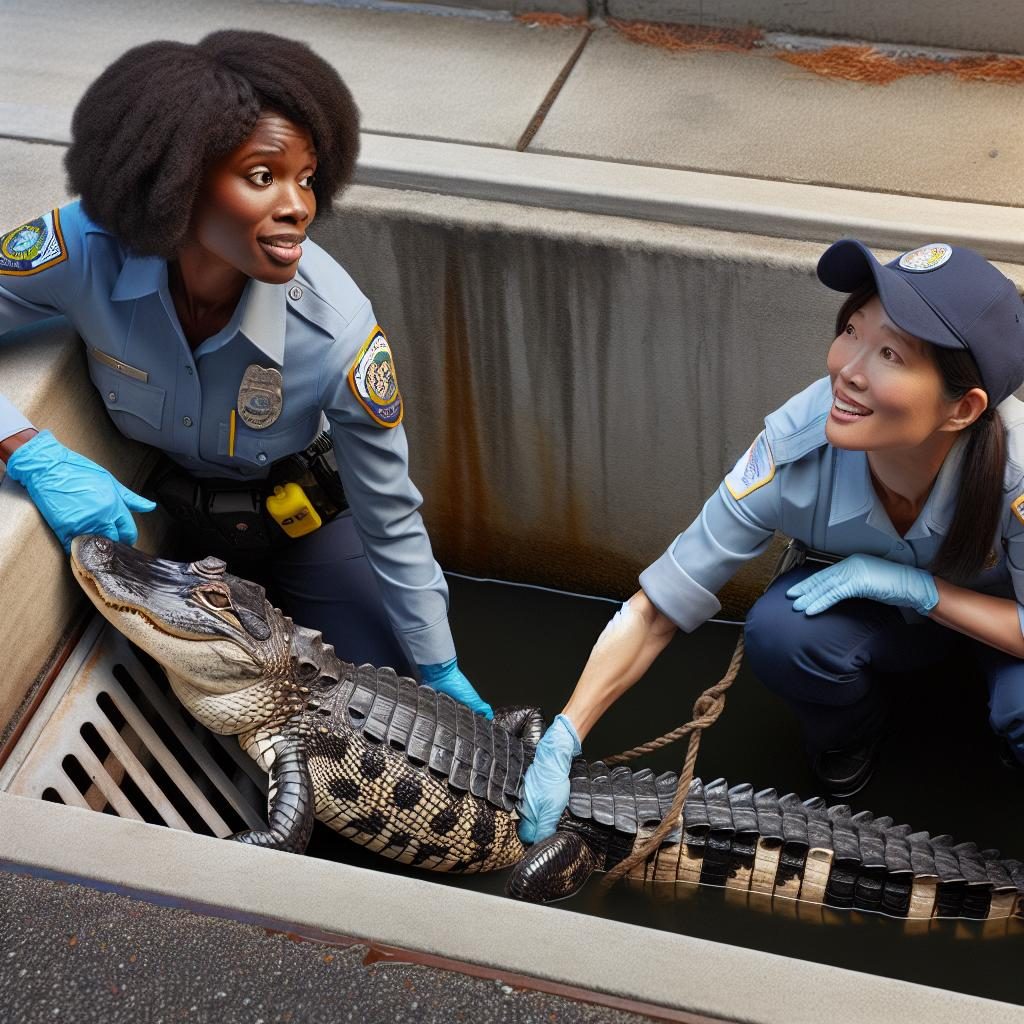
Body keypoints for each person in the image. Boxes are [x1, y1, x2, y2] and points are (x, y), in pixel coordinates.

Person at [0, 31, 492, 718]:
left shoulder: (336, 331)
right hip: (177, 535)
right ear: (178, 180)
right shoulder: (84, 250)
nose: (298, 206)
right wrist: (28, 450)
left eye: (307, 177)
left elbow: (390, 515)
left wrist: (437, 663)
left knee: (385, 717)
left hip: (309, 525)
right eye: (263, 176)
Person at [518, 238, 1024, 842]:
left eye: (890, 353)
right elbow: (659, 608)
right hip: (878, 630)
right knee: (782, 631)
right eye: (852, 331)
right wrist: (564, 737)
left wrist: (922, 590)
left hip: (1002, 631)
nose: (848, 370)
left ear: (962, 409)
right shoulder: (792, 447)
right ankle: (854, 735)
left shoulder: (1017, 469)